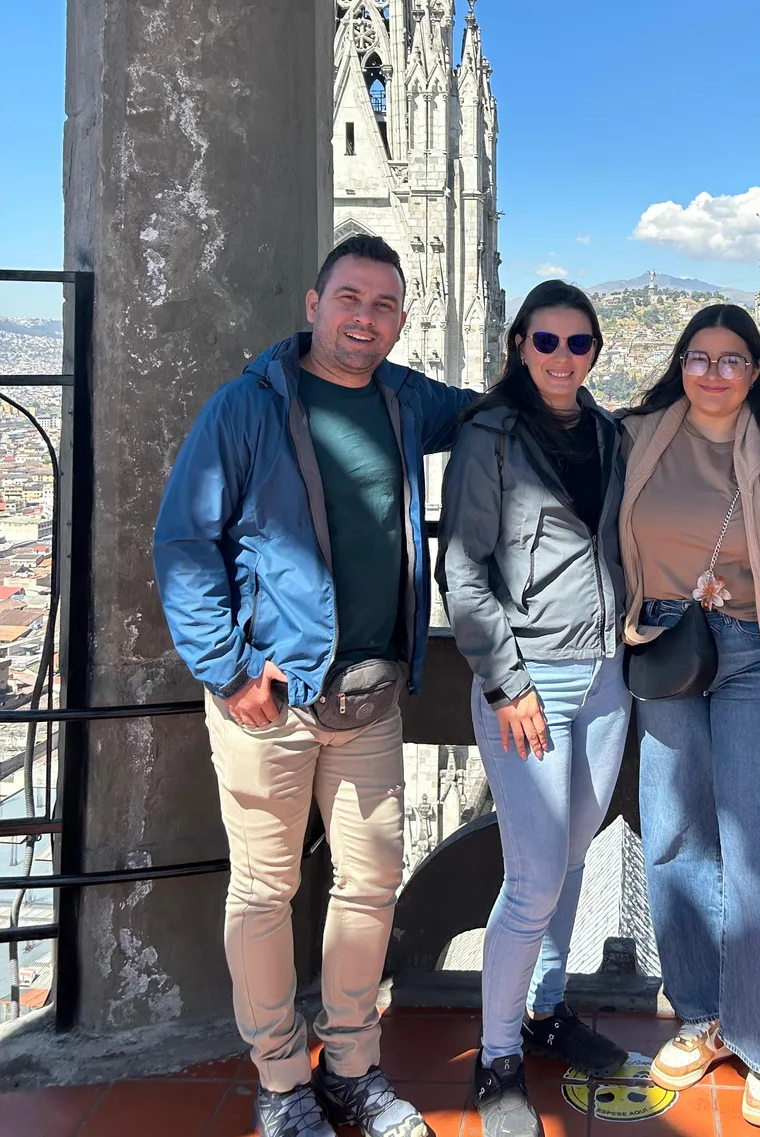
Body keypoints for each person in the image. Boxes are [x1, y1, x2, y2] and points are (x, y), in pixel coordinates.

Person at [154, 234, 474, 1137]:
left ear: (404, 319)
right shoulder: (247, 408)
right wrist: (226, 670)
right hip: (275, 705)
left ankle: (353, 1068)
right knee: (263, 892)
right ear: (313, 302)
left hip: (370, 701)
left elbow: (510, 411)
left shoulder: (410, 402)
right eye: (350, 299)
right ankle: (283, 1081)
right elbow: (184, 542)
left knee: (370, 889)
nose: (364, 319)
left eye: (383, 305)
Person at [439, 280, 631, 1137]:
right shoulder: (490, 436)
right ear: (520, 345)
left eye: (578, 343)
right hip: (532, 682)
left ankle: (548, 1012)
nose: (562, 357)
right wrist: (507, 683)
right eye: (546, 342)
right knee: (533, 878)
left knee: (578, 855)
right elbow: (465, 569)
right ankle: (497, 1055)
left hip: (607, 674)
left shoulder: (608, 432)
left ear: (595, 351)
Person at [620, 304, 760, 1130]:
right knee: (669, 836)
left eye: (732, 360)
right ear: (681, 362)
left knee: (758, 849)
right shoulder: (634, 436)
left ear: (757, 370)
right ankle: (699, 1014)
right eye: (699, 357)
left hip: (750, 653)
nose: (714, 373)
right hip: (663, 646)